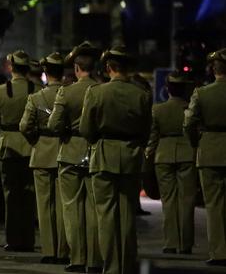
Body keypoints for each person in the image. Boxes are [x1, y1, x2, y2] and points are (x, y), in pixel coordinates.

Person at [79, 45, 152, 274]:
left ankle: (110, 266)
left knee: (106, 215)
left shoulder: (96, 92)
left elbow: (85, 128)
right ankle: (127, 265)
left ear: (109, 67)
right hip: (131, 155)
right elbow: (146, 130)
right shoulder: (141, 94)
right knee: (128, 213)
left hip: (103, 155)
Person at [47, 41, 103, 273]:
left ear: (77, 69)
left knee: (71, 208)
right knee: (93, 208)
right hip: (95, 152)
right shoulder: (102, 90)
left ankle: (77, 259)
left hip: (70, 152)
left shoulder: (66, 92)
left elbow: (54, 125)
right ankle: (94, 260)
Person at [0, 50, 42, 252]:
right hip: (31, 145)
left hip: (8, 145)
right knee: (29, 195)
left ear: (11, 67)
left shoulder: (0, 91)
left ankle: (13, 239)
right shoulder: (38, 89)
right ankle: (28, 239)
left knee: (11, 194)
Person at [19, 52, 68, 264]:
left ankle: (49, 250)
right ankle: (64, 250)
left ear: (46, 72)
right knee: (64, 204)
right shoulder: (70, 93)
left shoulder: (36, 97)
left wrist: (35, 142)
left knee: (44, 205)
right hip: (65, 151)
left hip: (41, 153)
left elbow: (24, 126)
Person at [184, 48, 226, 266]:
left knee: (214, 205)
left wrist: (195, 143)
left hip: (209, 150)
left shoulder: (202, 93)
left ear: (212, 70)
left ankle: (219, 253)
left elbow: (188, 123)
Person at [146, 72, 197, 255]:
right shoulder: (190, 108)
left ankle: (170, 242)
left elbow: (152, 138)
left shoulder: (157, 110)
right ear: (184, 89)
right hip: (187, 154)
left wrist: (148, 156)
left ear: (167, 88)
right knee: (187, 201)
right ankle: (185, 244)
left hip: (164, 155)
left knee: (168, 201)